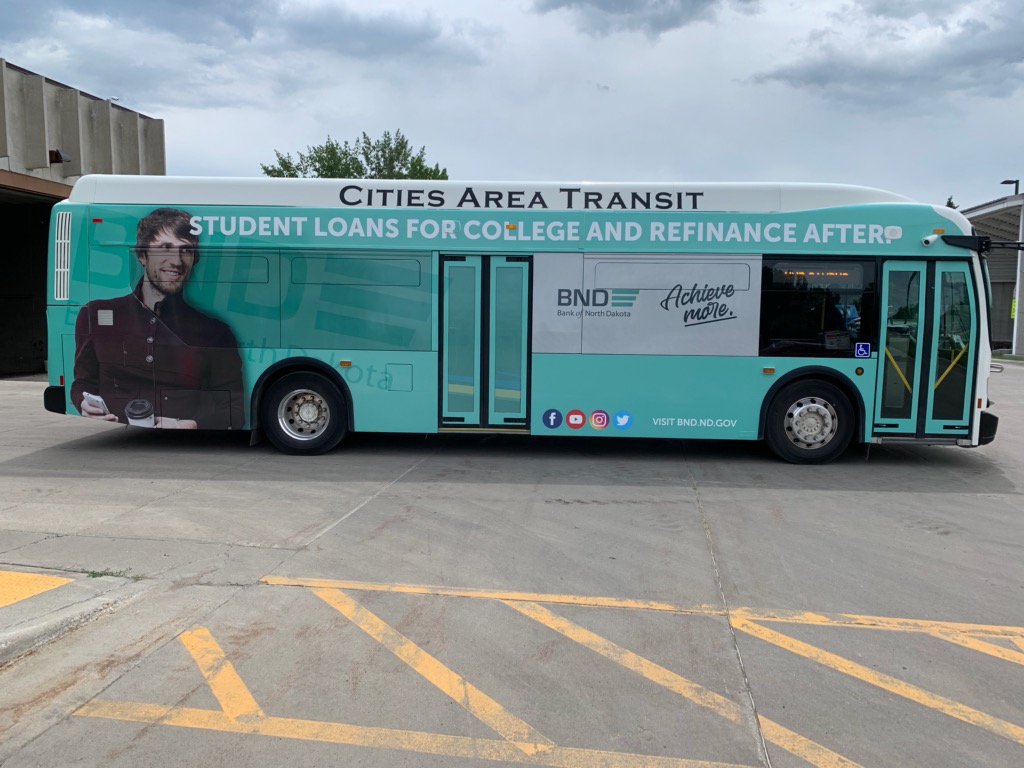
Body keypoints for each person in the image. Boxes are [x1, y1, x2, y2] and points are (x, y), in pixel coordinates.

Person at [71, 207, 244, 429]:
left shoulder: (216, 332)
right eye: (165, 247)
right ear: (142, 255)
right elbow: (83, 383)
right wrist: (83, 403)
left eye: (186, 250)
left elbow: (234, 409)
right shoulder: (94, 314)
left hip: (180, 446)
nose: (177, 261)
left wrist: (190, 425)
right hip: (117, 439)